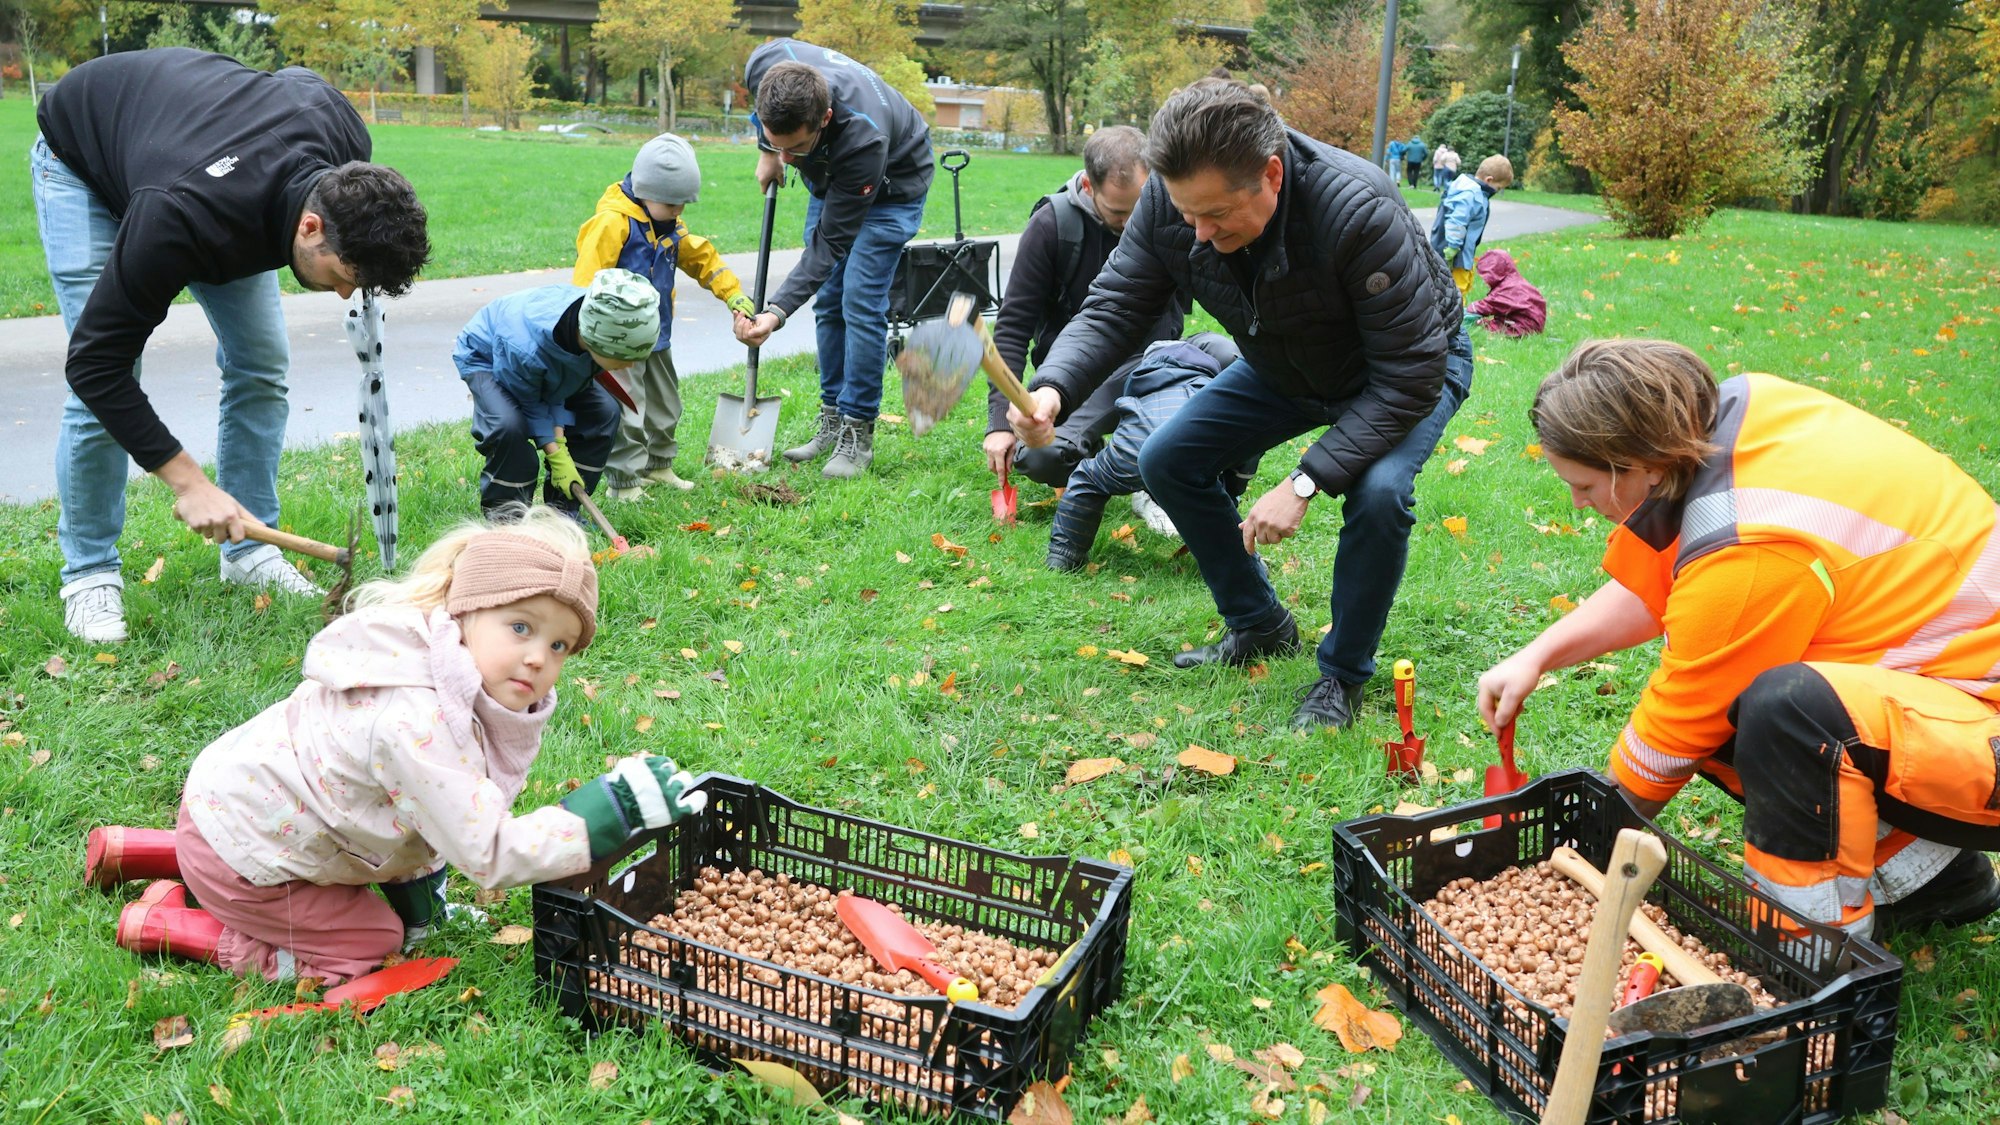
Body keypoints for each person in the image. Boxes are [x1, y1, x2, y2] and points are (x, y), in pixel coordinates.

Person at [1477, 339, 2000, 939]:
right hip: (1948, 697)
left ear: (1639, 465)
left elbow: (1669, 739)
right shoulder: (1730, 420)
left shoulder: (1750, 551)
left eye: (1586, 485)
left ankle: (1815, 954)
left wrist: (1573, 856)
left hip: (1986, 739)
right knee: (1745, 706)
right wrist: (1536, 655)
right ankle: (1933, 880)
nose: (1576, 501)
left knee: (1788, 715)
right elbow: (1662, 584)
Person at [1011, 79, 1472, 731]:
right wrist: (1053, 389)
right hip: (1285, 361)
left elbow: (1408, 374)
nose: (1195, 234)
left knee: (1378, 493)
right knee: (1168, 458)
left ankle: (1340, 676)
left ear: (1272, 175)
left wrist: (1306, 479)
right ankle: (1259, 624)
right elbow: (1116, 304)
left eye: (1215, 216)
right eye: (1184, 213)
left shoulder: (1357, 206)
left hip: (1402, 368)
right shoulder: (1173, 204)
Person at [84, 507, 709, 983]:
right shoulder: (419, 722)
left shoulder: (429, 645)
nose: (537, 657)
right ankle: (177, 925)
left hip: (233, 804)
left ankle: (142, 852)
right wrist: (603, 816)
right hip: (243, 851)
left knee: (391, 856)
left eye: (559, 646)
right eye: (520, 627)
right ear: (469, 610)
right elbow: (488, 852)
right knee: (371, 942)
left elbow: (432, 814)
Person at [31, 47, 431, 644]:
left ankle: (249, 550)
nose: (345, 293)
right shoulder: (182, 212)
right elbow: (95, 364)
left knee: (262, 362)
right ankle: (89, 573)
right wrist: (190, 483)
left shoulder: (342, 146)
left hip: (201, 164)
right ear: (312, 226)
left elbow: (298, 80)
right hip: (85, 160)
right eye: (346, 275)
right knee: (109, 378)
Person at [735, 39, 935, 479]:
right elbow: (771, 125)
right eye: (777, 142)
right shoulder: (767, 64)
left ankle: (857, 431)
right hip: (831, 170)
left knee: (859, 300)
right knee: (828, 300)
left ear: (824, 119)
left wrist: (775, 311)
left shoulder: (864, 139)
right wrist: (768, 152)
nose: (788, 159)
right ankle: (831, 418)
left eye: (796, 147)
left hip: (892, 185)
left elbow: (829, 246)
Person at [982, 126, 1187, 531]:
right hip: (1074, 381)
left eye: (1139, 208)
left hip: (1148, 369)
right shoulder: (1050, 226)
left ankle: (1149, 473)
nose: (1132, 225)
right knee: (1040, 457)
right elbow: (1012, 327)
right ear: (1089, 186)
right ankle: (1100, 458)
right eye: (1118, 214)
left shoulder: (1169, 213)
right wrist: (1000, 424)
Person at [575, 133, 756, 499]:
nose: (678, 211)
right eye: (671, 203)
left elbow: (703, 258)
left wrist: (733, 293)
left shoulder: (670, 227)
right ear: (644, 191)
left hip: (657, 335)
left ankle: (659, 466)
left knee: (664, 403)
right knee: (627, 408)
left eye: (683, 204)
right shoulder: (612, 224)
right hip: (618, 342)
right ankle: (624, 482)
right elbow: (585, 282)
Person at [454, 269, 660, 520]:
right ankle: (508, 521)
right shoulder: (524, 347)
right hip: (489, 357)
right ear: (593, 340)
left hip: (547, 361)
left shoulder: (603, 320)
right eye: (622, 358)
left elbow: (561, 389)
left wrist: (559, 444)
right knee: (509, 428)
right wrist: (555, 451)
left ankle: (563, 514)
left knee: (603, 413)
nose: (628, 367)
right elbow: (533, 403)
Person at [1046, 335, 1255, 571]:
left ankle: (1063, 557)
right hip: (1197, 447)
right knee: (1213, 498)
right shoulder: (1213, 390)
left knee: (1090, 479)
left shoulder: (1141, 384)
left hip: (1136, 446)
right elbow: (1246, 449)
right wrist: (1232, 492)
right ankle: (1243, 565)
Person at [1431, 154, 1514, 301]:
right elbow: (1458, 219)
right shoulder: (1471, 194)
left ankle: (1451, 316)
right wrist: (1453, 247)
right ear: (1489, 180)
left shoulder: (1470, 188)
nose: (1497, 191)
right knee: (1457, 287)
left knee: (1457, 285)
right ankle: (1453, 320)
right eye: (1498, 187)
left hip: (1461, 250)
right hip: (1456, 252)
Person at [1468, 249, 1546, 337]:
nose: (1485, 281)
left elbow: (1488, 305)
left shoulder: (1506, 289)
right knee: (1488, 323)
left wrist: (1470, 308)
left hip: (1522, 327)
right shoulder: (1515, 280)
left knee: (1484, 326)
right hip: (1528, 321)